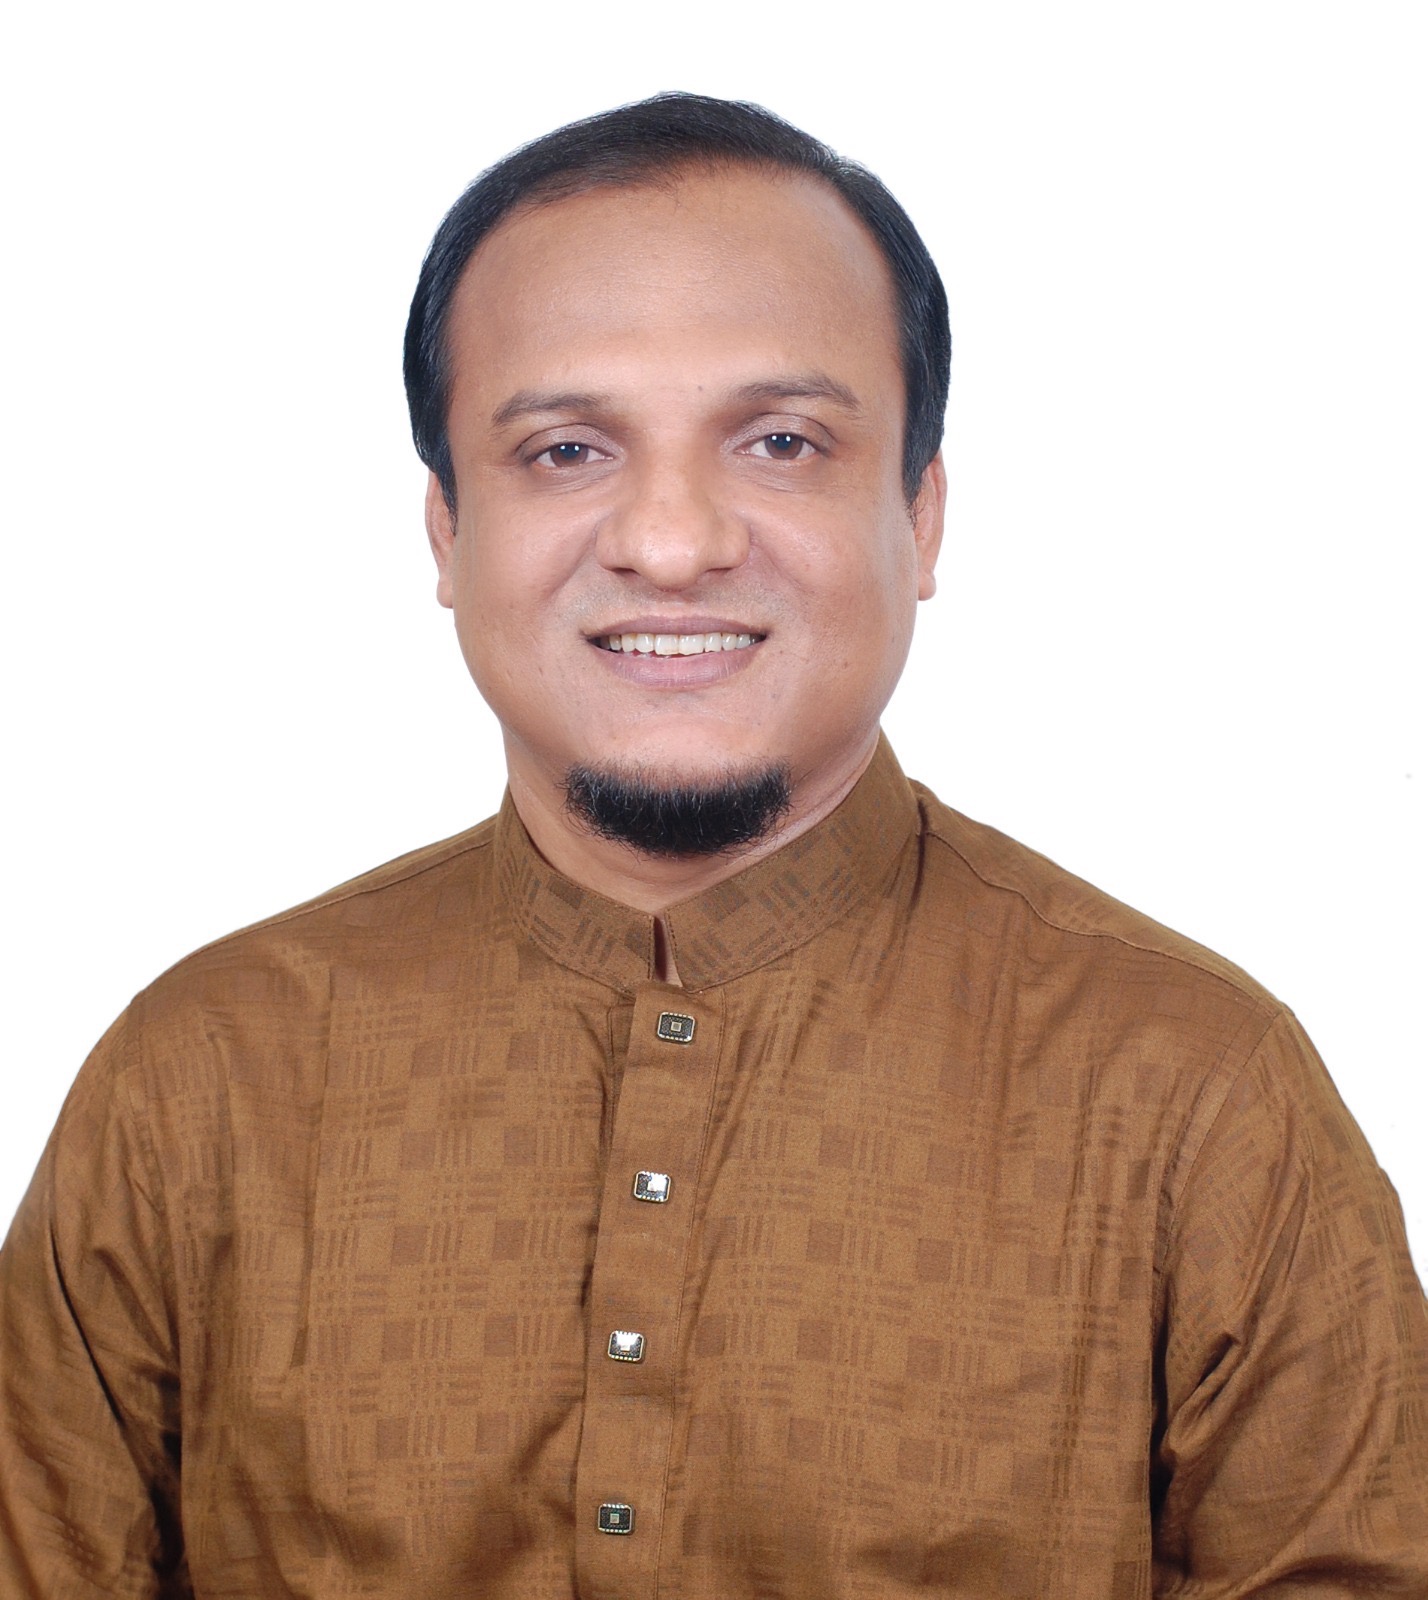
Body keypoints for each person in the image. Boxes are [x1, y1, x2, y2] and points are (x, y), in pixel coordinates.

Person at [1, 91, 1424, 1599]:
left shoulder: (1201, 1099)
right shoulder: (199, 1081)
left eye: (782, 442)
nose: (671, 542)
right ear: (446, 531)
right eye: (565, 451)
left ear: (923, 516)